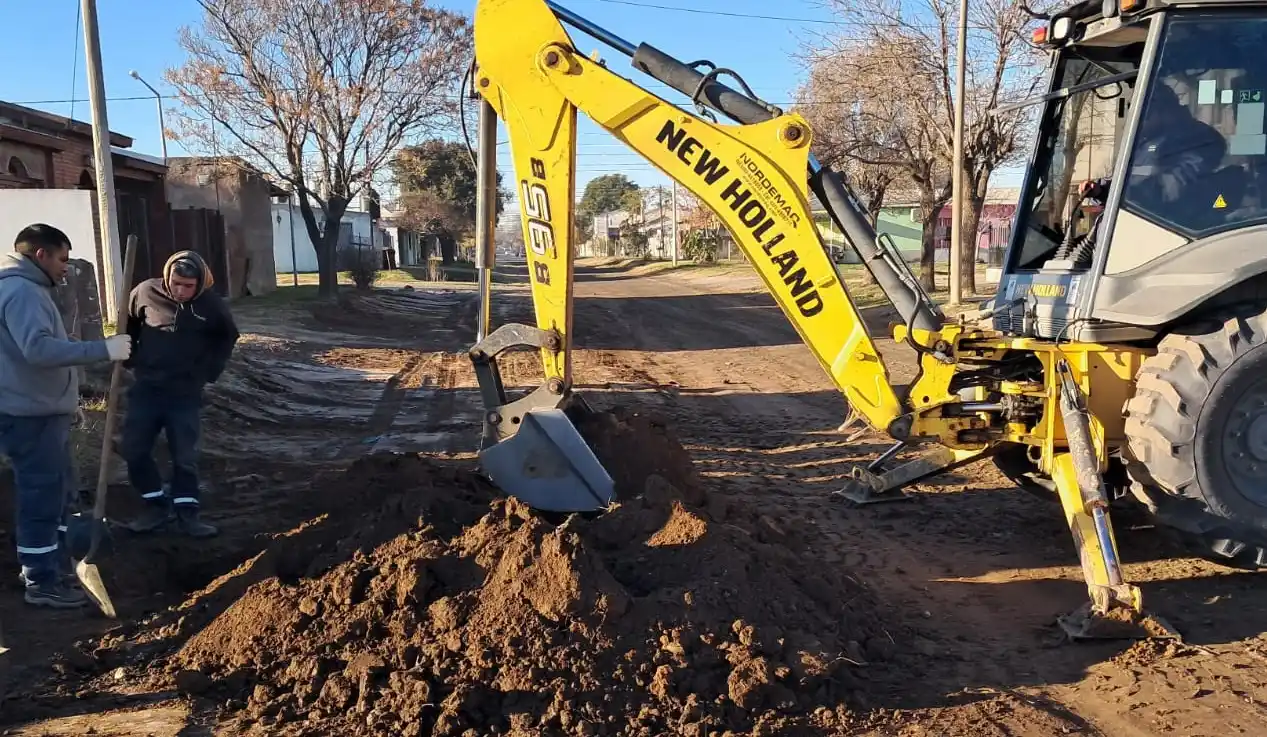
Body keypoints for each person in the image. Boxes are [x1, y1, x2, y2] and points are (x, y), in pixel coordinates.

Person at [0, 223, 132, 608]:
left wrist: (90, 348)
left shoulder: (24, 288)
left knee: (58, 491)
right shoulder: (23, 291)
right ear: (40, 254)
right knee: (42, 494)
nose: (65, 267)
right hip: (29, 413)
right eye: (61, 258)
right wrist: (101, 352)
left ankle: (51, 566)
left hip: (36, 408)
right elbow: (38, 350)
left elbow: (42, 343)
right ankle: (41, 581)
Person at [120, 250, 239, 538]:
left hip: (184, 392)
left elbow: (227, 336)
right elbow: (129, 322)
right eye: (176, 284)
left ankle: (188, 514)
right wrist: (128, 354)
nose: (181, 291)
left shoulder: (211, 304)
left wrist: (208, 372)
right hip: (147, 387)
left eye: (189, 286)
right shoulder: (145, 292)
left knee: (184, 455)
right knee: (133, 450)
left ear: (199, 283)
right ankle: (155, 506)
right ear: (167, 277)